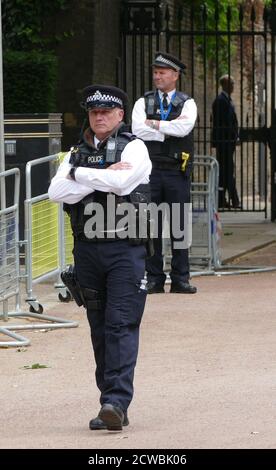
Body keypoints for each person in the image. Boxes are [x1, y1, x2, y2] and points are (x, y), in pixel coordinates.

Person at [48, 85, 152, 431]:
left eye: (107, 112)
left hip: (125, 250)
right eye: (94, 113)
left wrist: (80, 175)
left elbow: (123, 184)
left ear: (120, 115)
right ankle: (109, 401)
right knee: (99, 328)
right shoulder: (76, 151)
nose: (100, 117)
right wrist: (97, 176)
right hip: (87, 250)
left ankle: (116, 402)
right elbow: (56, 191)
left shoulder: (135, 147)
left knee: (120, 323)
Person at [132, 51, 197, 294]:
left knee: (180, 226)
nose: (157, 76)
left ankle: (181, 279)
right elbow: (138, 129)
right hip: (150, 172)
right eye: (155, 72)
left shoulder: (187, 102)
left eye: (162, 72)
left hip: (177, 172)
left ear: (175, 75)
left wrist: (155, 124)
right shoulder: (144, 101)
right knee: (151, 226)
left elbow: (184, 128)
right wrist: (166, 129)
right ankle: (154, 278)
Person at [211, 74, 240, 209]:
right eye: (232, 84)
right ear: (226, 85)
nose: (233, 87)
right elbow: (223, 123)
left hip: (228, 142)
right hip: (224, 142)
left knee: (224, 172)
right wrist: (232, 136)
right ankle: (234, 200)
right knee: (227, 171)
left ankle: (222, 200)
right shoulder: (220, 100)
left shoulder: (226, 100)